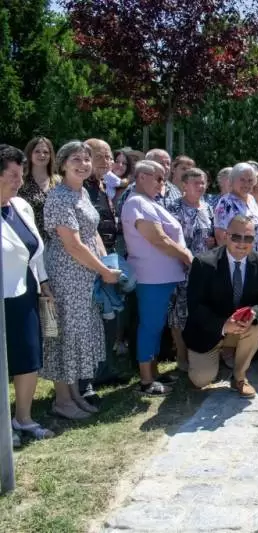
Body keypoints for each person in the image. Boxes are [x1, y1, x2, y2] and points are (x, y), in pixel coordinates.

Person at [43, 141, 122, 419]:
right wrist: (103, 270)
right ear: (63, 164)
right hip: (67, 274)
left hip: (86, 274)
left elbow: (92, 233)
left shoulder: (82, 193)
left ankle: (75, 393)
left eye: (86, 159)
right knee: (66, 335)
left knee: (80, 334)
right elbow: (73, 245)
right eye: (75, 159)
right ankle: (62, 400)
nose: (83, 164)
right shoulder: (59, 197)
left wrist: (107, 262)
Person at [183, 216, 258, 398]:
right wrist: (224, 325)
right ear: (226, 236)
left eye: (248, 238)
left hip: (241, 328)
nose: (242, 243)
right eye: (236, 237)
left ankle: (239, 377)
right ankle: (209, 359)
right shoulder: (204, 263)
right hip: (208, 331)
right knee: (201, 380)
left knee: (257, 328)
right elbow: (195, 306)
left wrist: (253, 313)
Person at [122, 160, 192, 395]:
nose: (163, 183)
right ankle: (145, 380)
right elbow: (158, 239)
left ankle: (153, 372)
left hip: (162, 277)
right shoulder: (136, 202)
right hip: (152, 278)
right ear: (142, 176)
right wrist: (187, 256)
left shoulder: (148, 202)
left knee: (156, 326)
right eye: (159, 178)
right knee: (150, 326)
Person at [1, 145, 55, 446]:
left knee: (29, 356)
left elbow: (35, 251)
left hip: (25, 293)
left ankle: (23, 418)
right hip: (2, 298)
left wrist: (43, 282)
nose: (19, 181)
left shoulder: (21, 206)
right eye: (12, 175)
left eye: (21, 175)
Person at [168, 168, 216, 372]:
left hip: (205, 271)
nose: (200, 186)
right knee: (180, 314)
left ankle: (201, 354)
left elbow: (213, 236)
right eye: (196, 183)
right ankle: (181, 355)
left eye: (203, 182)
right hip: (181, 269)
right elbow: (168, 239)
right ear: (184, 185)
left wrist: (213, 241)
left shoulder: (208, 208)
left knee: (202, 312)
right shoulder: (174, 208)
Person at [214, 162, 258, 254]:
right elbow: (220, 237)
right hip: (239, 258)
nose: (246, 184)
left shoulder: (251, 199)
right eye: (242, 180)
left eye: (250, 180)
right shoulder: (226, 203)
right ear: (232, 181)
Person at [18, 136, 59, 237]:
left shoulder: (59, 182)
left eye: (46, 152)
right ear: (30, 154)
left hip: (57, 240)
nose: (42, 155)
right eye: (37, 151)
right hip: (29, 238)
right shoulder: (20, 182)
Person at [84, 139, 119, 253]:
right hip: (90, 252)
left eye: (108, 157)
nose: (105, 161)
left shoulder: (103, 184)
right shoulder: (80, 187)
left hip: (108, 250)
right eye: (98, 157)